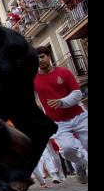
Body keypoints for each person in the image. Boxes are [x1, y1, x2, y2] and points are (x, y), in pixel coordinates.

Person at [34, 46, 88, 183]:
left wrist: (62, 102)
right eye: (37, 58)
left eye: (42, 56)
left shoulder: (64, 72)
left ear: (49, 56)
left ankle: (80, 165)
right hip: (58, 122)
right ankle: (80, 164)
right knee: (67, 149)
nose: (40, 60)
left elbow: (77, 94)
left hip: (78, 115)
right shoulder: (33, 81)